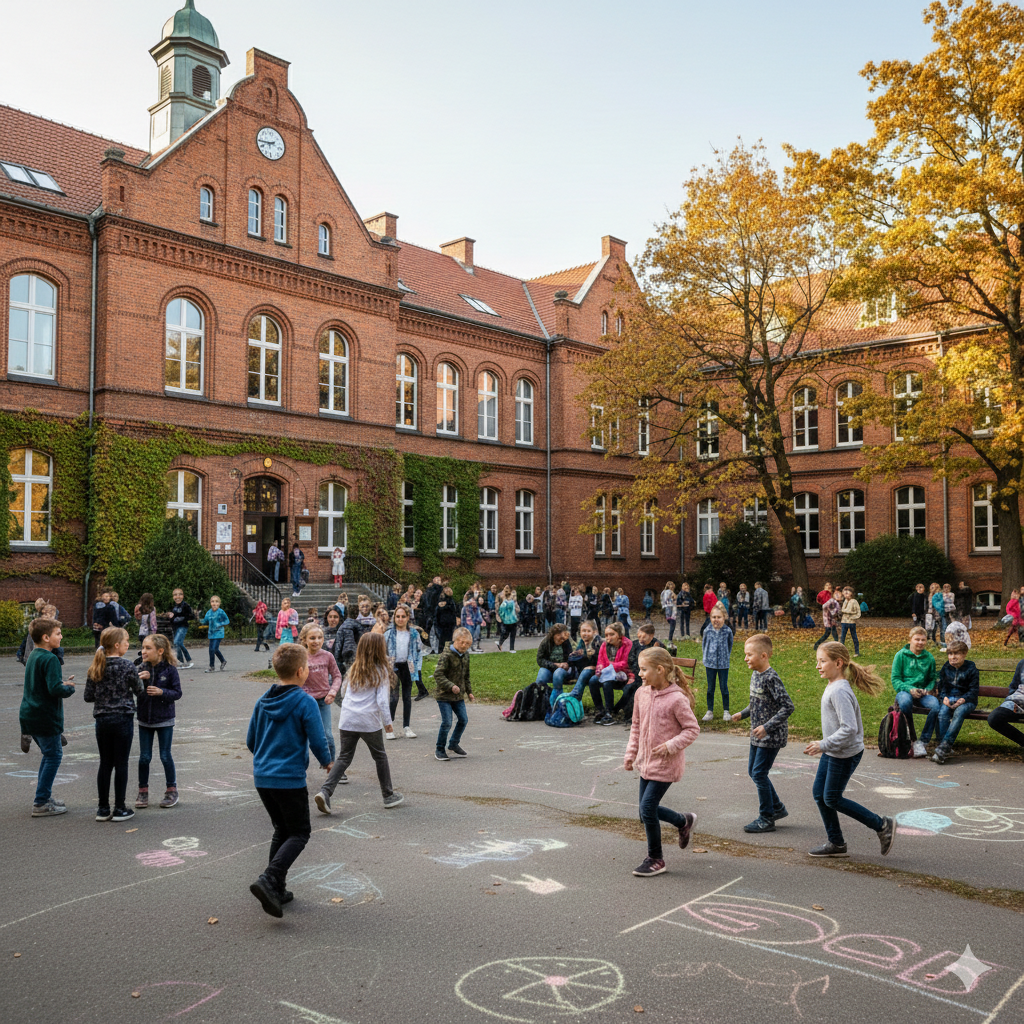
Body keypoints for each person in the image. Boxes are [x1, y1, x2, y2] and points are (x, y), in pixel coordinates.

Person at [246, 643, 333, 917]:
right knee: (299, 832)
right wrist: (327, 760)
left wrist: (265, 756)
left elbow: (251, 741)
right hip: (289, 779)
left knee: (282, 830)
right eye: (307, 666)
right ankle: (269, 879)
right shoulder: (305, 701)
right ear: (300, 671)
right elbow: (318, 738)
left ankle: (277, 889)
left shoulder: (263, 701)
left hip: (263, 777)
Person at [804, 641, 896, 858]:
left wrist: (822, 744)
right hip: (835, 750)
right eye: (817, 661)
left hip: (844, 753)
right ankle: (836, 843)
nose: (818, 665)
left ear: (838, 662)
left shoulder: (840, 691)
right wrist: (826, 745)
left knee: (832, 798)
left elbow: (849, 728)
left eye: (822, 661)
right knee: (820, 794)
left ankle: (881, 825)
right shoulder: (834, 686)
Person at [623, 646, 700, 877]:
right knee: (644, 812)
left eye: (644, 669)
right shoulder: (641, 694)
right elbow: (635, 726)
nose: (640, 674)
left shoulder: (676, 699)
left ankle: (656, 859)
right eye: (639, 669)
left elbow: (692, 729)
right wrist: (631, 754)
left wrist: (670, 746)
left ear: (660, 669)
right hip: (646, 762)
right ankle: (683, 821)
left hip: (666, 764)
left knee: (647, 809)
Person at [316, 632, 403, 815]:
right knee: (380, 756)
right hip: (368, 721)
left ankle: (325, 792)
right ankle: (388, 795)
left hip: (348, 718)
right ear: (380, 650)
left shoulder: (354, 668)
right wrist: (388, 723)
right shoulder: (381, 671)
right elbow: (382, 701)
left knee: (344, 757)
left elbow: (343, 693)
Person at [731, 633, 794, 833]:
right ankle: (776, 808)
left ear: (764, 656)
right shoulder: (756, 674)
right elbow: (757, 702)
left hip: (771, 736)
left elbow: (787, 707)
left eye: (749, 655)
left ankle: (766, 818)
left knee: (759, 773)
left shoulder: (771, 678)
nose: (745, 658)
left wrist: (767, 726)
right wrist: (743, 713)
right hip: (757, 734)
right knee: (754, 771)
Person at [84, 626, 145, 823]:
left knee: (105, 763)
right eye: (126, 641)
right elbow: (139, 690)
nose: (128, 644)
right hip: (122, 718)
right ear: (117, 645)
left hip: (102, 719)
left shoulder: (96, 666)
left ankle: (102, 808)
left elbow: (88, 696)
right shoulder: (127, 666)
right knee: (121, 763)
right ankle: (120, 807)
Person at [20, 618, 75, 817]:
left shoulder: (34, 655)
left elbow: (44, 684)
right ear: (46, 637)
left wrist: (59, 682)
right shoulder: (51, 659)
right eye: (58, 634)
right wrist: (67, 688)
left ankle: (44, 796)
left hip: (30, 715)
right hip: (45, 716)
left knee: (48, 754)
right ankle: (41, 802)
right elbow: (54, 689)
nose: (61, 637)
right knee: (53, 756)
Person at [134, 634, 182, 810]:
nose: (143, 651)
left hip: (164, 719)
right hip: (144, 719)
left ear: (160, 651)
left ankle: (171, 790)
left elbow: (177, 693)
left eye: (148, 648)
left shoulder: (170, 670)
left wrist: (162, 692)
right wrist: (140, 680)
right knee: (144, 757)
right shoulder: (139, 667)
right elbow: (132, 690)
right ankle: (143, 791)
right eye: (143, 647)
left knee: (165, 755)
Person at [890, 626, 939, 758]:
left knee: (935, 706)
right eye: (917, 639)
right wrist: (909, 689)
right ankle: (912, 738)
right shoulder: (900, 655)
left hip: (922, 693)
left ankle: (923, 741)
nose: (920, 642)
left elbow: (931, 678)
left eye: (923, 640)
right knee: (905, 703)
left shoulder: (929, 658)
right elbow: (895, 679)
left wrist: (927, 689)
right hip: (905, 691)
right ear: (910, 640)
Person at [297, 622, 343, 761]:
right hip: (305, 703)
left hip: (324, 701)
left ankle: (332, 765)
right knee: (303, 736)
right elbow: (293, 679)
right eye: (312, 638)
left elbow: (337, 676)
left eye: (319, 637)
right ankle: (300, 769)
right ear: (304, 639)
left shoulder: (328, 656)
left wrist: (333, 692)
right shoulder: (300, 657)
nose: (316, 641)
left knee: (327, 735)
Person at [931, 641, 979, 764]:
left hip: (967, 701)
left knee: (959, 712)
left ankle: (943, 748)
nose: (953, 657)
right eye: (950, 654)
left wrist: (964, 699)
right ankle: (945, 748)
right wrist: (944, 698)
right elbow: (942, 687)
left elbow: (973, 690)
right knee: (942, 713)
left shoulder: (971, 668)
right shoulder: (946, 667)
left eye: (956, 654)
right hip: (949, 698)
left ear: (964, 654)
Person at [434, 626, 475, 760]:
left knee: (463, 720)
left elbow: (466, 676)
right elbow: (438, 674)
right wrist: (451, 686)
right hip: (444, 695)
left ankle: (453, 744)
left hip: (458, 696)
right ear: (455, 640)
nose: (464, 646)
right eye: (462, 642)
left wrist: (469, 692)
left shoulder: (465, 655)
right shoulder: (446, 655)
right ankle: (440, 749)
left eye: (468, 644)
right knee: (447, 722)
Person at [385, 604, 424, 735]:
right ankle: (389, 727)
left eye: (403, 616)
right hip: (393, 667)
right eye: (398, 616)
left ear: (408, 617)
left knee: (407, 697)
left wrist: (418, 668)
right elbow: (382, 651)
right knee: (393, 697)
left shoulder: (413, 634)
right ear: (394, 617)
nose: (400, 619)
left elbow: (419, 651)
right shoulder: (389, 633)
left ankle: (406, 726)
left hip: (408, 666)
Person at [621, 622, 666, 721]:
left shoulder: (657, 645)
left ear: (651, 636)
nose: (641, 639)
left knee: (637, 689)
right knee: (628, 688)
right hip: (636, 673)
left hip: (651, 676)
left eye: (643, 637)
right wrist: (637, 671)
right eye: (639, 636)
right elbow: (631, 659)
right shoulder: (635, 644)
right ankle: (626, 713)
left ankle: (633, 715)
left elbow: (662, 662)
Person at [595, 622, 633, 726]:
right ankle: (601, 710)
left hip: (623, 675)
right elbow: (600, 660)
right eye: (606, 635)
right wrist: (599, 668)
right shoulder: (604, 645)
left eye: (612, 634)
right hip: (607, 673)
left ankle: (609, 712)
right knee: (593, 681)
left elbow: (626, 662)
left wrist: (611, 666)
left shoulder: (627, 644)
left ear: (620, 635)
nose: (608, 637)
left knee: (607, 683)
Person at [701, 603, 733, 722]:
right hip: (710, 663)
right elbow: (704, 645)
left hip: (724, 664)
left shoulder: (728, 631)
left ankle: (726, 711)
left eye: (719, 617)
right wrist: (706, 658)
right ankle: (710, 711)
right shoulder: (707, 631)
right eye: (714, 617)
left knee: (724, 687)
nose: (716, 620)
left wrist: (726, 657)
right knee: (710, 688)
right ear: (710, 618)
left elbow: (730, 645)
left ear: (724, 617)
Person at [986, 658, 1024, 749]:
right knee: (994, 718)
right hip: (1017, 702)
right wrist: (1012, 697)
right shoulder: (1022, 663)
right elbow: (1013, 685)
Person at [567, 620, 603, 715]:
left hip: (600, 670)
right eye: (583, 631)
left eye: (588, 631)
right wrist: (580, 655)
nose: (585, 634)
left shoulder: (598, 642)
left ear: (594, 632)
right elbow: (573, 658)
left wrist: (592, 664)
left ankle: (575, 695)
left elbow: (601, 660)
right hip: (585, 671)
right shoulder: (582, 642)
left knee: (587, 673)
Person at [534, 623, 574, 707]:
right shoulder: (546, 642)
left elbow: (571, 657)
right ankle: (539, 704)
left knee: (557, 675)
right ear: (554, 634)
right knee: (541, 678)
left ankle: (558, 703)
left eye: (563, 638)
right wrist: (554, 665)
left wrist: (567, 664)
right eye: (560, 636)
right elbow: (540, 659)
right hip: (549, 667)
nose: (562, 640)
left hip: (562, 669)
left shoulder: (566, 642)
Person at [162, 588, 195, 666]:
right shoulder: (172, 606)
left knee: (177, 642)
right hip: (175, 627)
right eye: (175, 595)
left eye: (180, 594)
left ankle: (180, 662)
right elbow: (171, 617)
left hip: (183, 626)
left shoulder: (186, 606)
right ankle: (188, 659)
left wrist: (180, 617)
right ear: (173, 597)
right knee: (179, 643)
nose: (178, 596)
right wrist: (169, 615)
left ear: (183, 596)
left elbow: (191, 616)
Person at [201, 596, 230, 673]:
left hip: (219, 633)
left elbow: (227, 621)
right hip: (211, 634)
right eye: (212, 601)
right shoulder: (209, 612)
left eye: (216, 601)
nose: (214, 603)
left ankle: (212, 667)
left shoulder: (221, 612)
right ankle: (223, 661)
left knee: (212, 649)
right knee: (214, 649)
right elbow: (204, 621)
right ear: (210, 603)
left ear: (219, 603)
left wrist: (220, 624)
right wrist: (198, 618)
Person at [495, 586, 520, 653]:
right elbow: (501, 611)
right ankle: (506, 646)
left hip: (510, 620)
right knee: (509, 634)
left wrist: (503, 618)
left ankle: (506, 645)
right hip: (509, 620)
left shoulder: (508, 602)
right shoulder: (508, 601)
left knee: (509, 634)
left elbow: (501, 612)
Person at [839, 586, 861, 656]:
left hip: (851, 622)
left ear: (851, 593)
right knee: (842, 637)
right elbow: (842, 610)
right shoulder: (845, 601)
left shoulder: (854, 601)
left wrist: (852, 617)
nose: (846, 593)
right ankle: (840, 652)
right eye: (845, 591)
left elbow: (858, 613)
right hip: (844, 622)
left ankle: (857, 652)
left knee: (854, 636)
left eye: (848, 591)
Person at [435, 586, 458, 651]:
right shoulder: (451, 602)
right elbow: (453, 612)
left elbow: (437, 612)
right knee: (448, 637)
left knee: (442, 637)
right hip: (448, 622)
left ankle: (441, 649)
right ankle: (446, 649)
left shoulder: (440, 601)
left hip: (442, 621)